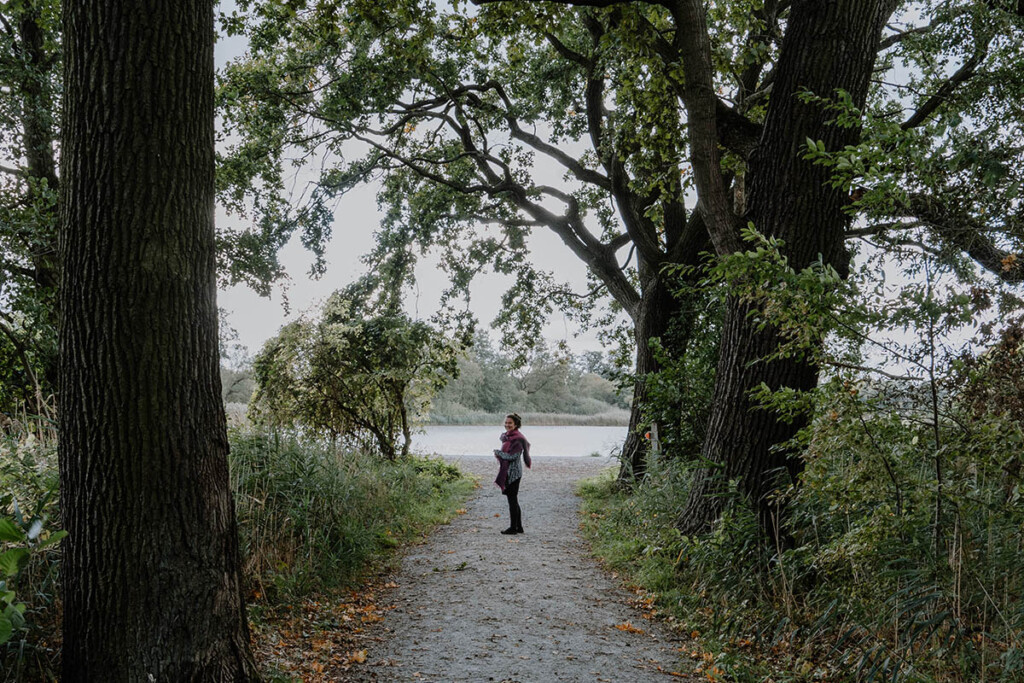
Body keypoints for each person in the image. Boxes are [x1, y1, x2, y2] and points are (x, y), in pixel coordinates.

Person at [494, 413, 531, 535]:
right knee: (513, 499)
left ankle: (513, 528)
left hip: (514, 473)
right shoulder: (507, 437)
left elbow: (514, 456)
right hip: (510, 472)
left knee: (512, 500)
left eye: (510, 423)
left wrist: (499, 453)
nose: (507, 425)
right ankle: (518, 527)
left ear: (516, 424)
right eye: (506, 422)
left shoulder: (517, 439)